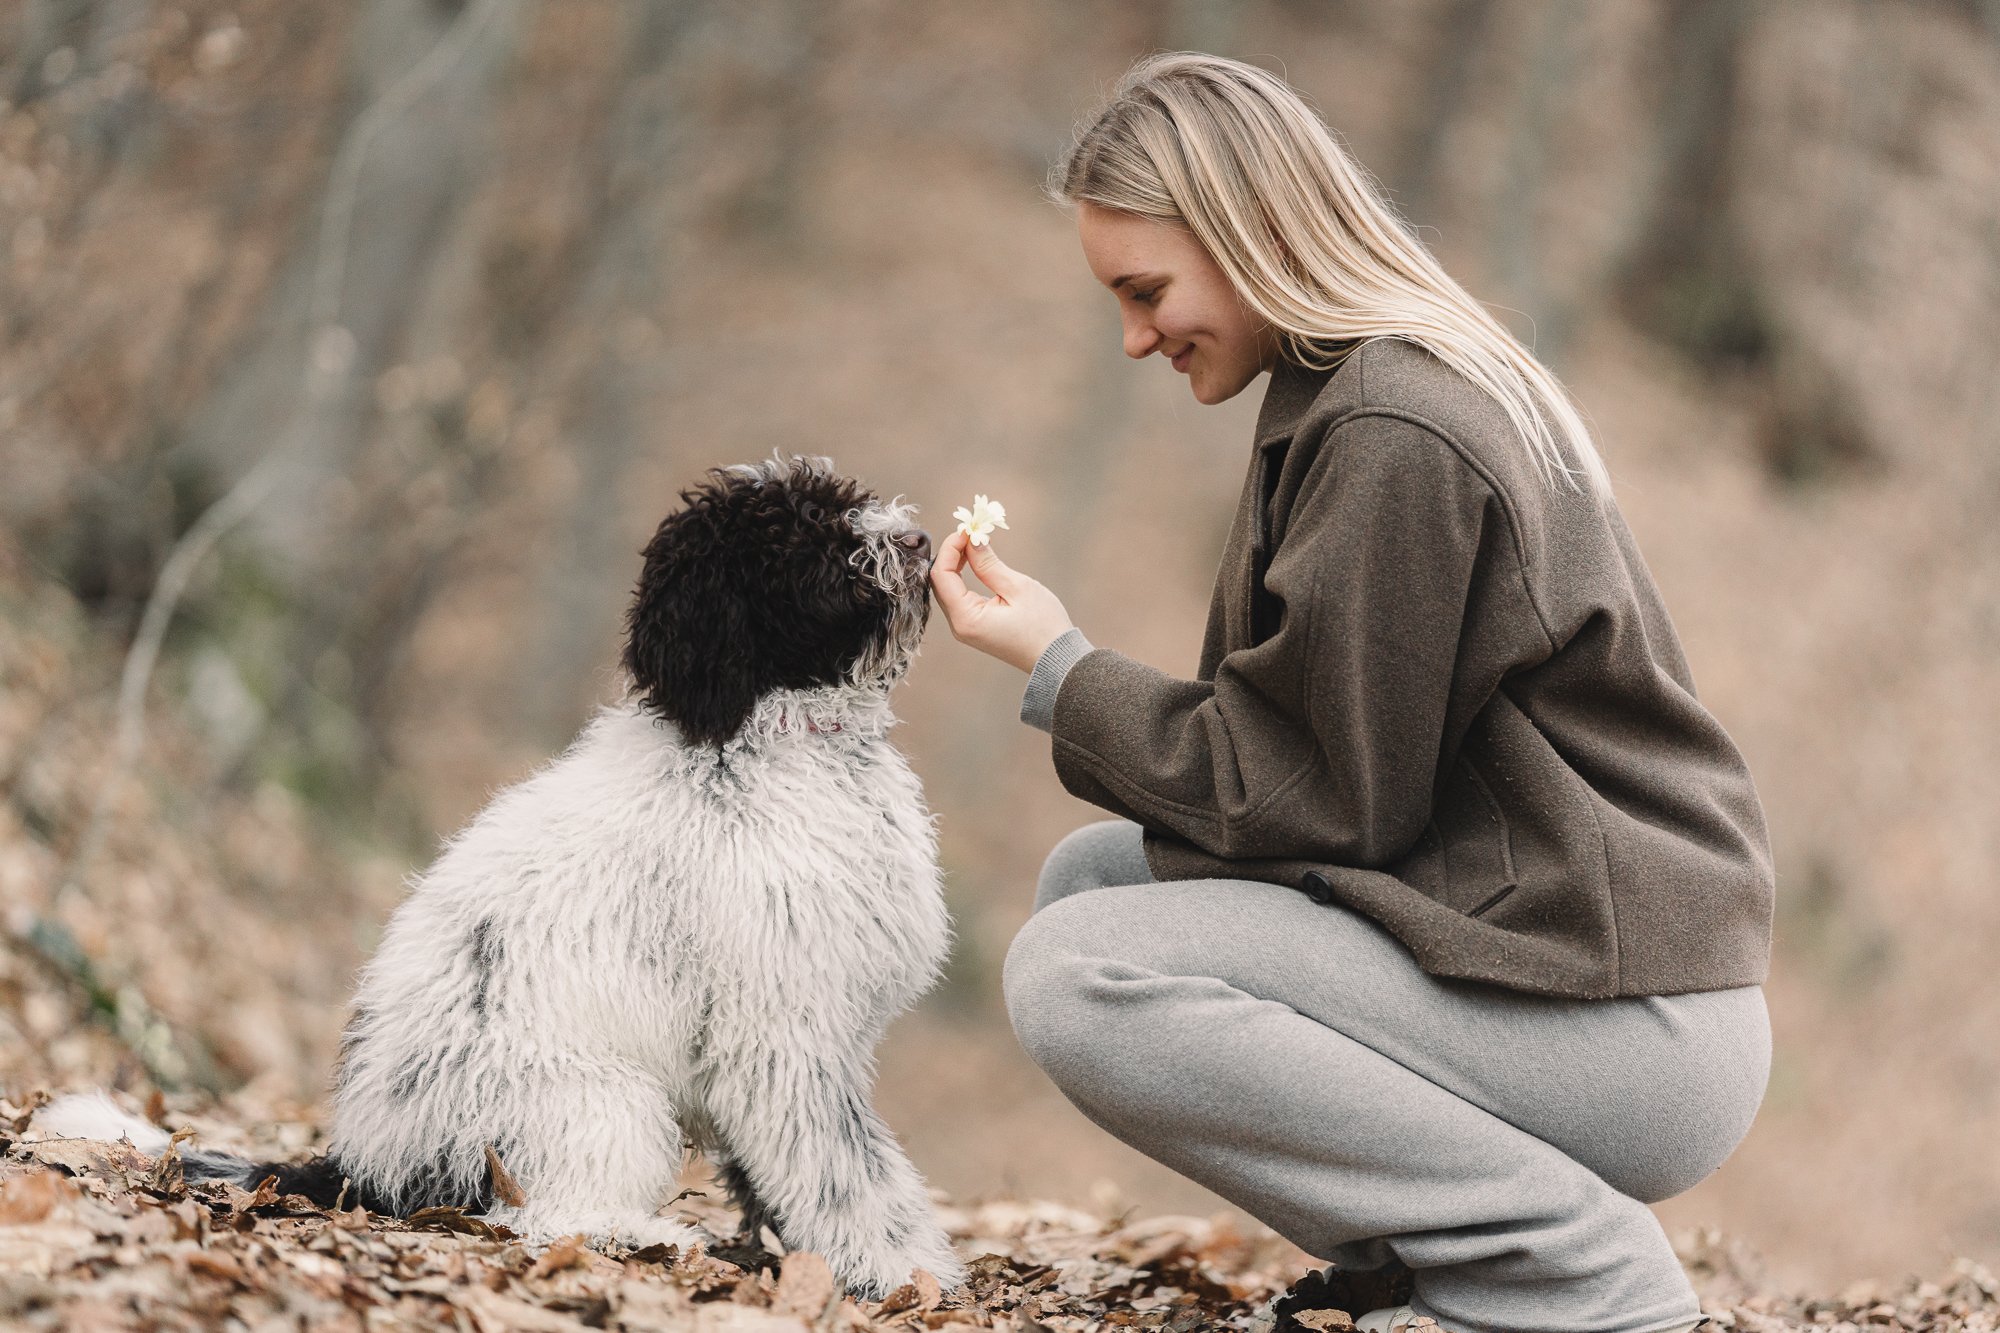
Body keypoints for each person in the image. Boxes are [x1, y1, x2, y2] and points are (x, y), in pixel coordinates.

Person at [926, 51, 1772, 1333]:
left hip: (1630, 1024)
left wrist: (1057, 667)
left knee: (1075, 973)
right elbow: (1307, 765)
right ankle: (1423, 1263)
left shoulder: (1395, 428)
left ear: (1248, 234)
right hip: (1551, 961)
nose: (1133, 335)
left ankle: (1568, 1277)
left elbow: (1316, 797)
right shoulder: (1350, 390)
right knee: (1098, 884)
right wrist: (1063, 674)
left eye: (1145, 291)